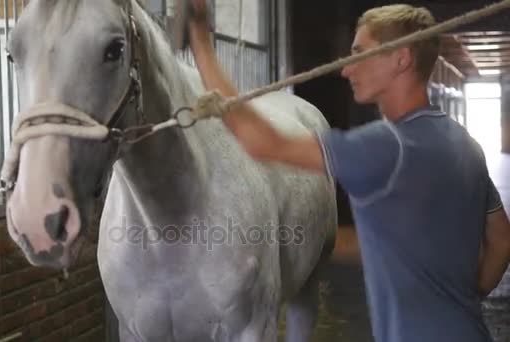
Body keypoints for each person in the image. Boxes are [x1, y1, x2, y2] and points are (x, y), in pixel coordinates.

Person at [187, 2, 510, 342]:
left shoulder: (386, 146)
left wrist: (201, 43)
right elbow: (501, 239)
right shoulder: (464, 142)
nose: (346, 69)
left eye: (360, 54)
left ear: (400, 59)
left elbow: (263, 144)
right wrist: (464, 297)